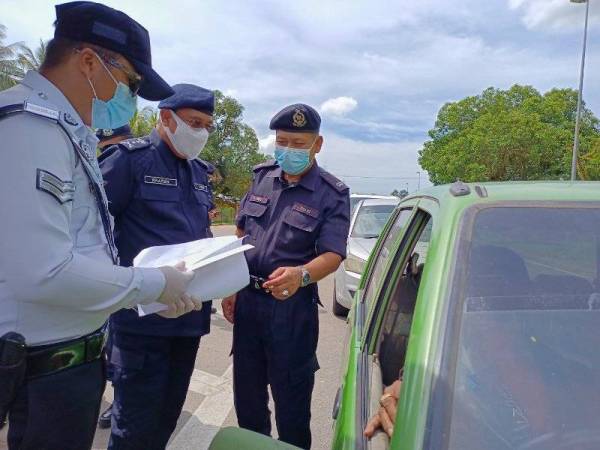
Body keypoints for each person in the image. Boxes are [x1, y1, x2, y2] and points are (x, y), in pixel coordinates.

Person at [0, 2, 200, 449]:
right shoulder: (29, 127)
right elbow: (45, 271)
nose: (130, 98)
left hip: (64, 361)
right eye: (131, 83)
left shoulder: (62, 129)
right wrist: (151, 285)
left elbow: (85, 247)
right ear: (89, 61)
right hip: (38, 369)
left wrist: (142, 298)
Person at [222, 103, 351, 449]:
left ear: (317, 144)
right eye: (282, 141)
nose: (289, 149)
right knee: (247, 404)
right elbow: (240, 232)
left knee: (292, 411)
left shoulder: (332, 193)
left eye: (298, 143)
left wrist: (302, 274)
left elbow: (334, 253)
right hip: (249, 306)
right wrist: (231, 285)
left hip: (291, 312)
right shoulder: (262, 177)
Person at [99, 83, 216, 450]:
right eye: (195, 122)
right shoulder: (128, 160)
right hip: (141, 323)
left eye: (207, 126)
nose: (201, 133)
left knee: (166, 420)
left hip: (189, 319)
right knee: (134, 429)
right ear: (166, 118)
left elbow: (200, 232)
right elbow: (92, 232)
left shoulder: (199, 172)